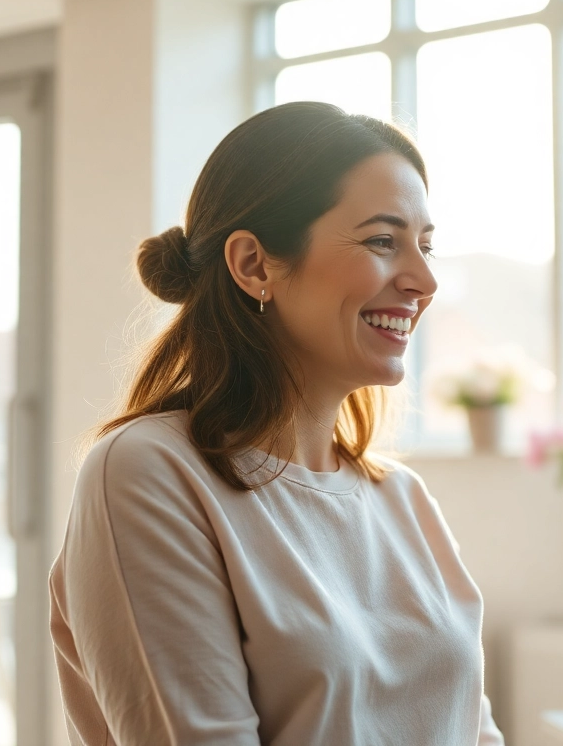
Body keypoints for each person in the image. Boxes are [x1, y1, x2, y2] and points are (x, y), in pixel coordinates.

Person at [48, 102, 504, 745]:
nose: (424, 280)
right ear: (255, 265)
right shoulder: (149, 473)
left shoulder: (403, 499)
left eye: (425, 246)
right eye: (382, 240)